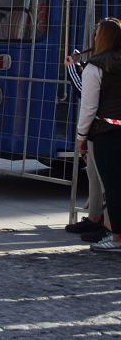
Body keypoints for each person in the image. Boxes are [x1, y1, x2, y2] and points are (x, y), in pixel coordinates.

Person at [77, 18, 121, 253]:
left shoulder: (94, 67)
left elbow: (89, 107)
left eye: (96, 34)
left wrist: (81, 135)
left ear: (102, 38)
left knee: (113, 187)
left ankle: (116, 237)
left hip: (105, 132)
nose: (93, 38)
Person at [66, 47, 108, 242]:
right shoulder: (101, 63)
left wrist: (72, 70)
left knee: (104, 178)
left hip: (102, 127)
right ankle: (96, 217)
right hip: (100, 127)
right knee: (94, 174)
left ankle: (108, 225)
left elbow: (88, 98)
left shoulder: (100, 64)